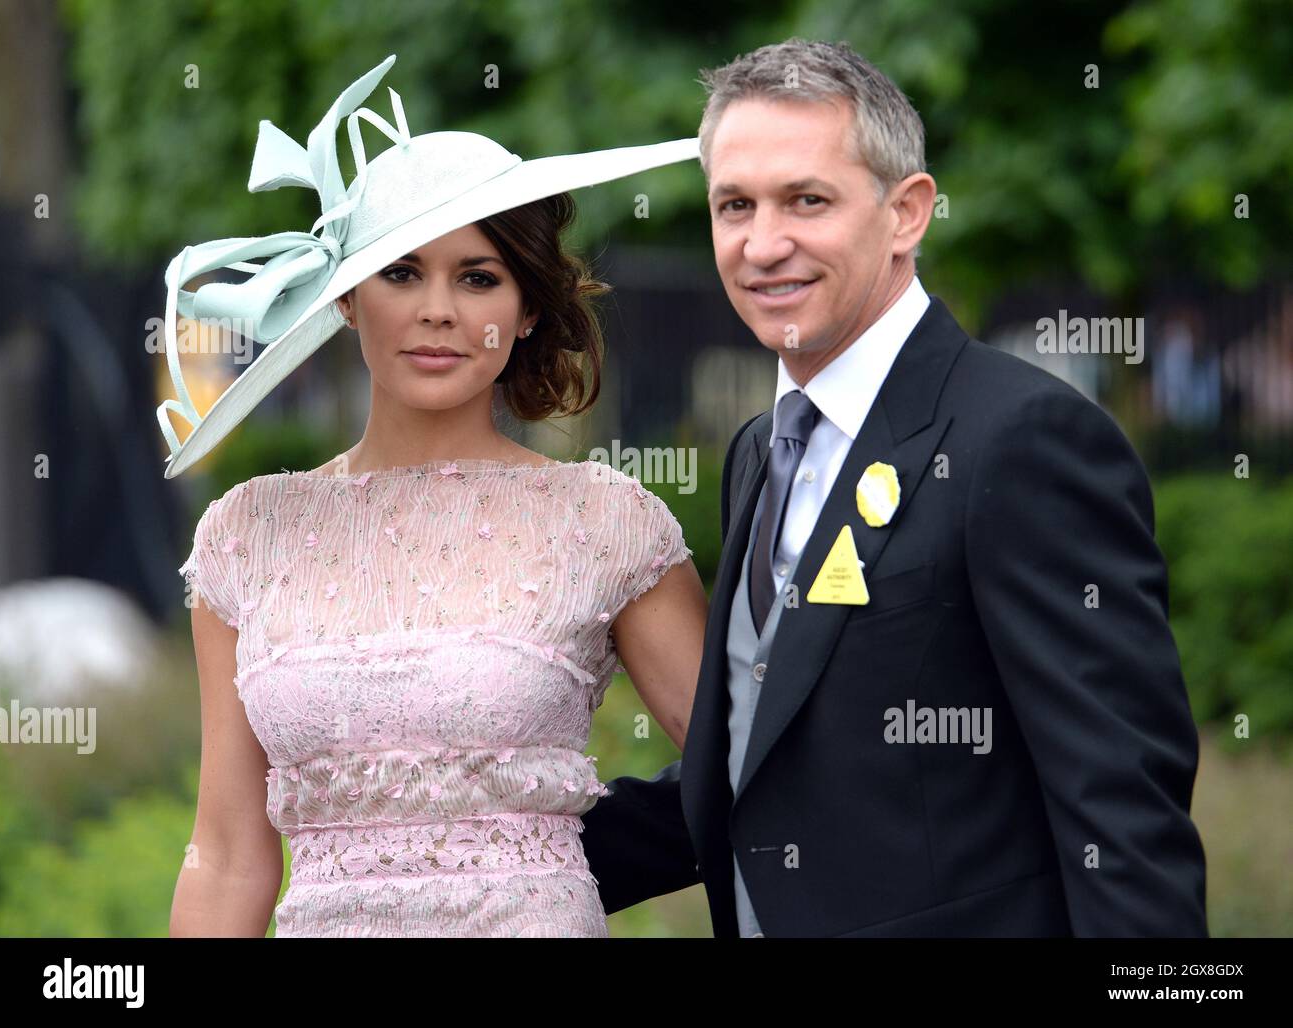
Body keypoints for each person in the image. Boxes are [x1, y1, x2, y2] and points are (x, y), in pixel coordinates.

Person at [580, 38, 1209, 937]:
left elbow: (1123, 816)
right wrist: (480, 861)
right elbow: (776, 764)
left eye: (807, 200)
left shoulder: (1022, 438)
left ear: (908, 211)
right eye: (734, 206)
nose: (764, 244)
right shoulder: (760, 450)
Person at [165, 55, 708, 936]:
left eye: (479, 277)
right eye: (402, 272)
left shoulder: (607, 520)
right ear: (344, 300)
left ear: (528, 308)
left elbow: (749, 778)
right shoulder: (246, 533)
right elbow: (227, 853)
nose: (438, 311)